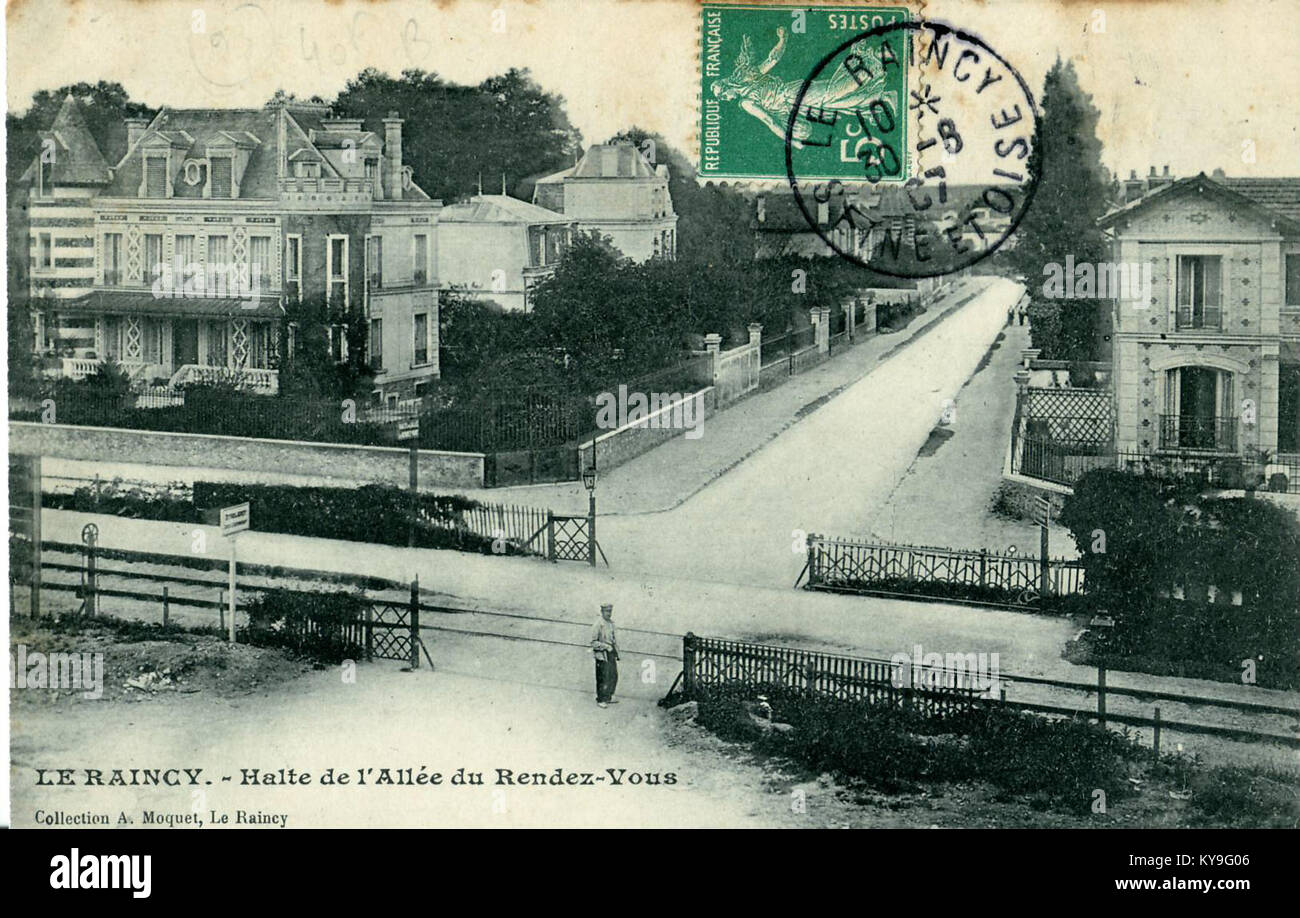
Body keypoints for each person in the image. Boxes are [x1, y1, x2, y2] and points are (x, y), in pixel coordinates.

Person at [590, 603, 619, 708]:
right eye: (607, 611)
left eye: (610, 611)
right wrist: (606, 646)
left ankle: (609, 696)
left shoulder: (611, 623)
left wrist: (615, 651)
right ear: (602, 612)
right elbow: (593, 642)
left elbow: (613, 639)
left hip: (610, 653)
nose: (609, 614)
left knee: (613, 675)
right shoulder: (598, 624)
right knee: (603, 677)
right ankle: (601, 699)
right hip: (602, 655)